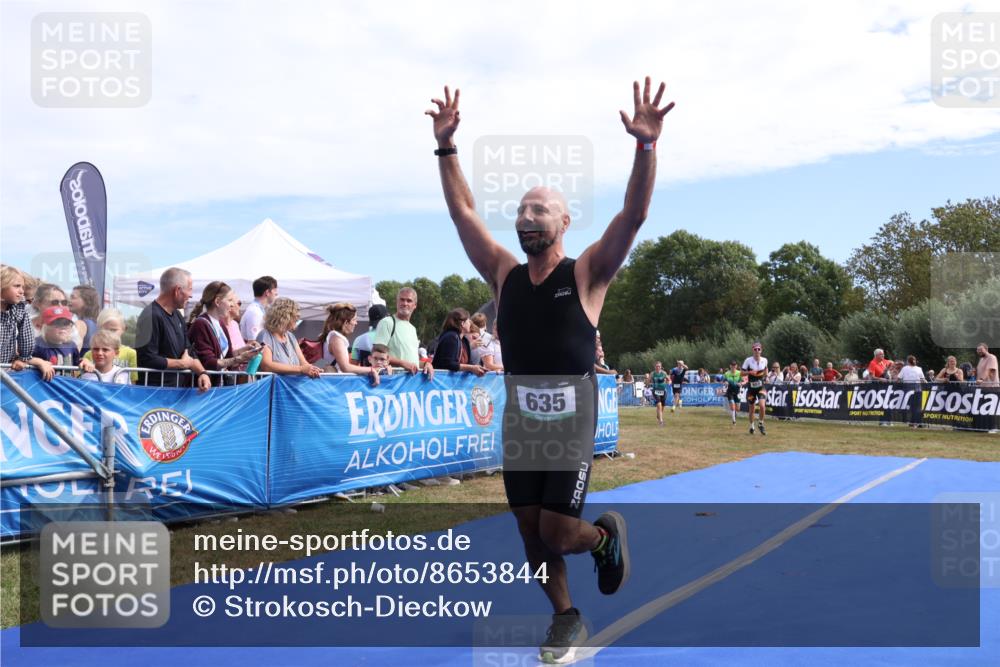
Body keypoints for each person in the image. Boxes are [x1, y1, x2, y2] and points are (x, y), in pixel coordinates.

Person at [427, 76, 673, 662]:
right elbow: (462, 212)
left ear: (564, 223)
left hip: (570, 418)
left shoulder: (586, 274)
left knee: (561, 533)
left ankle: (604, 537)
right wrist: (445, 147)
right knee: (530, 534)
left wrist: (646, 146)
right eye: (521, 208)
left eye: (540, 208)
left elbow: (634, 215)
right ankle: (565, 617)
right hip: (521, 422)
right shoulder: (504, 276)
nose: (527, 215)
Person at [134, 267, 211, 392]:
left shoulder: (178, 315)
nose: (191, 295)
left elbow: (188, 351)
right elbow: (147, 358)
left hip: (175, 392)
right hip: (153, 395)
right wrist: (183, 364)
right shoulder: (151, 316)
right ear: (177, 290)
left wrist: (202, 373)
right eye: (189, 289)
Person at [187, 281, 260, 385]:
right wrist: (240, 358)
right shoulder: (201, 324)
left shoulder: (220, 323)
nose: (232, 305)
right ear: (217, 301)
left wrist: (245, 349)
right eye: (229, 300)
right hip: (204, 387)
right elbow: (209, 362)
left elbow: (226, 356)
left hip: (217, 386)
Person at [0, 265, 54, 380]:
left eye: (22, 288)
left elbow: (26, 340)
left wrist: (25, 358)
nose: (21, 292)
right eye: (17, 286)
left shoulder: (17, 311)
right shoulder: (17, 310)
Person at [373, 287, 434, 378]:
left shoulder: (412, 328)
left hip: (409, 384)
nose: (405, 303)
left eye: (409, 301)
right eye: (402, 300)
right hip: (393, 382)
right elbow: (376, 354)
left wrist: (425, 364)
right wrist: (402, 363)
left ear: (415, 305)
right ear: (397, 302)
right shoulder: (387, 322)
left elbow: (412, 362)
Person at [256, 297, 322, 378]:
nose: (298, 318)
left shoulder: (291, 336)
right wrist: (301, 369)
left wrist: (312, 369)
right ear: (285, 317)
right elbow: (266, 365)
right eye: (295, 316)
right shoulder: (265, 335)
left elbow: (303, 362)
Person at [320, 302, 384, 384]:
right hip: (337, 384)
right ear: (346, 322)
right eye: (354, 320)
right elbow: (345, 368)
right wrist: (371, 369)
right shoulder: (337, 339)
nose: (356, 323)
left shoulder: (334, 337)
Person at [82, 308, 139, 382]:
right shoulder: (90, 353)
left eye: (113, 330)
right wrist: (83, 361)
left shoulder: (131, 353)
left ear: (123, 329)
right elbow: (79, 375)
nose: (109, 333)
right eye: (105, 330)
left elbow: (132, 381)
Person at [432, 308, 487, 376]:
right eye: (468, 320)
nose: (470, 323)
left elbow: (467, 362)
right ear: (462, 323)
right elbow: (448, 363)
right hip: (443, 381)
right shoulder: (451, 337)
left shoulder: (464, 340)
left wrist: (479, 369)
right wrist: (471, 368)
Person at [239, 275, 278, 344]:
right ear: (267, 293)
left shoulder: (258, 310)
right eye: (275, 290)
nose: (276, 293)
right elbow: (254, 343)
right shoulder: (254, 312)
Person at [741, 342, 768, 435]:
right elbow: (741, 373)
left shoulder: (764, 360)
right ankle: (752, 426)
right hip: (751, 388)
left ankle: (760, 424)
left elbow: (766, 369)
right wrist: (750, 372)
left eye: (758, 349)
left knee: (762, 406)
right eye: (755, 349)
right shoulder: (748, 360)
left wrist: (766, 376)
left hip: (761, 387)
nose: (757, 351)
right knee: (751, 408)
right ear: (753, 350)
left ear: (761, 350)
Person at [69, 284, 101, 354]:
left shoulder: (80, 324)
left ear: (86, 301)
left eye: (73, 297)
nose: (69, 300)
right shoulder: (98, 325)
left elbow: (73, 353)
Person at [723, 360, 743, 426]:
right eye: (732, 365)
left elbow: (743, 381)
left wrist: (740, 383)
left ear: (736, 366)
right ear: (730, 366)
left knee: (738, 408)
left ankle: (735, 414)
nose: (733, 367)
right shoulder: (726, 374)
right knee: (732, 405)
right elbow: (724, 381)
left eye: (734, 365)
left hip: (737, 392)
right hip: (730, 392)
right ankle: (734, 421)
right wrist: (725, 383)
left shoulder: (739, 373)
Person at [650, 361, 668, 426]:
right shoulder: (652, 374)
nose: (658, 367)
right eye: (657, 366)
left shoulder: (664, 373)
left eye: (659, 366)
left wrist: (669, 382)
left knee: (662, 406)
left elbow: (669, 379)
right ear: (655, 367)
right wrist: (646, 383)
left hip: (663, 391)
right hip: (655, 391)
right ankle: (661, 421)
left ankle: (659, 415)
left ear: (661, 367)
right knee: (659, 405)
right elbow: (648, 380)